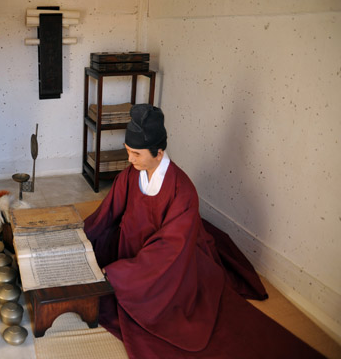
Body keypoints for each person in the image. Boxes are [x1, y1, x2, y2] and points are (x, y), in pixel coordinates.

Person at [83, 104, 324, 358]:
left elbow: (170, 249)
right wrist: (80, 239)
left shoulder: (183, 191)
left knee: (153, 314)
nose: (130, 160)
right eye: (128, 152)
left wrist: (120, 273)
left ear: (159, 152)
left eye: (136, 154)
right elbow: (106, 215)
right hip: (130, 253)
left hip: (167, 268)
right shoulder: (130, 176)